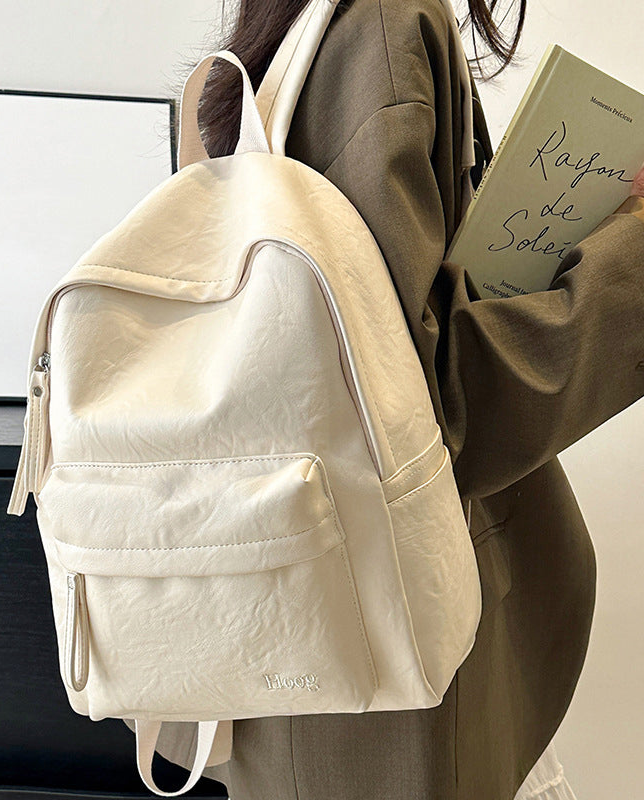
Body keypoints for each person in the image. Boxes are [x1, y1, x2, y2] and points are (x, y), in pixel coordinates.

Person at [123, 0, 644, 797]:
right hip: (397, 684)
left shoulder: (307, 35)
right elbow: (427, 416)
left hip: (301, 657)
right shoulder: (383, 27)